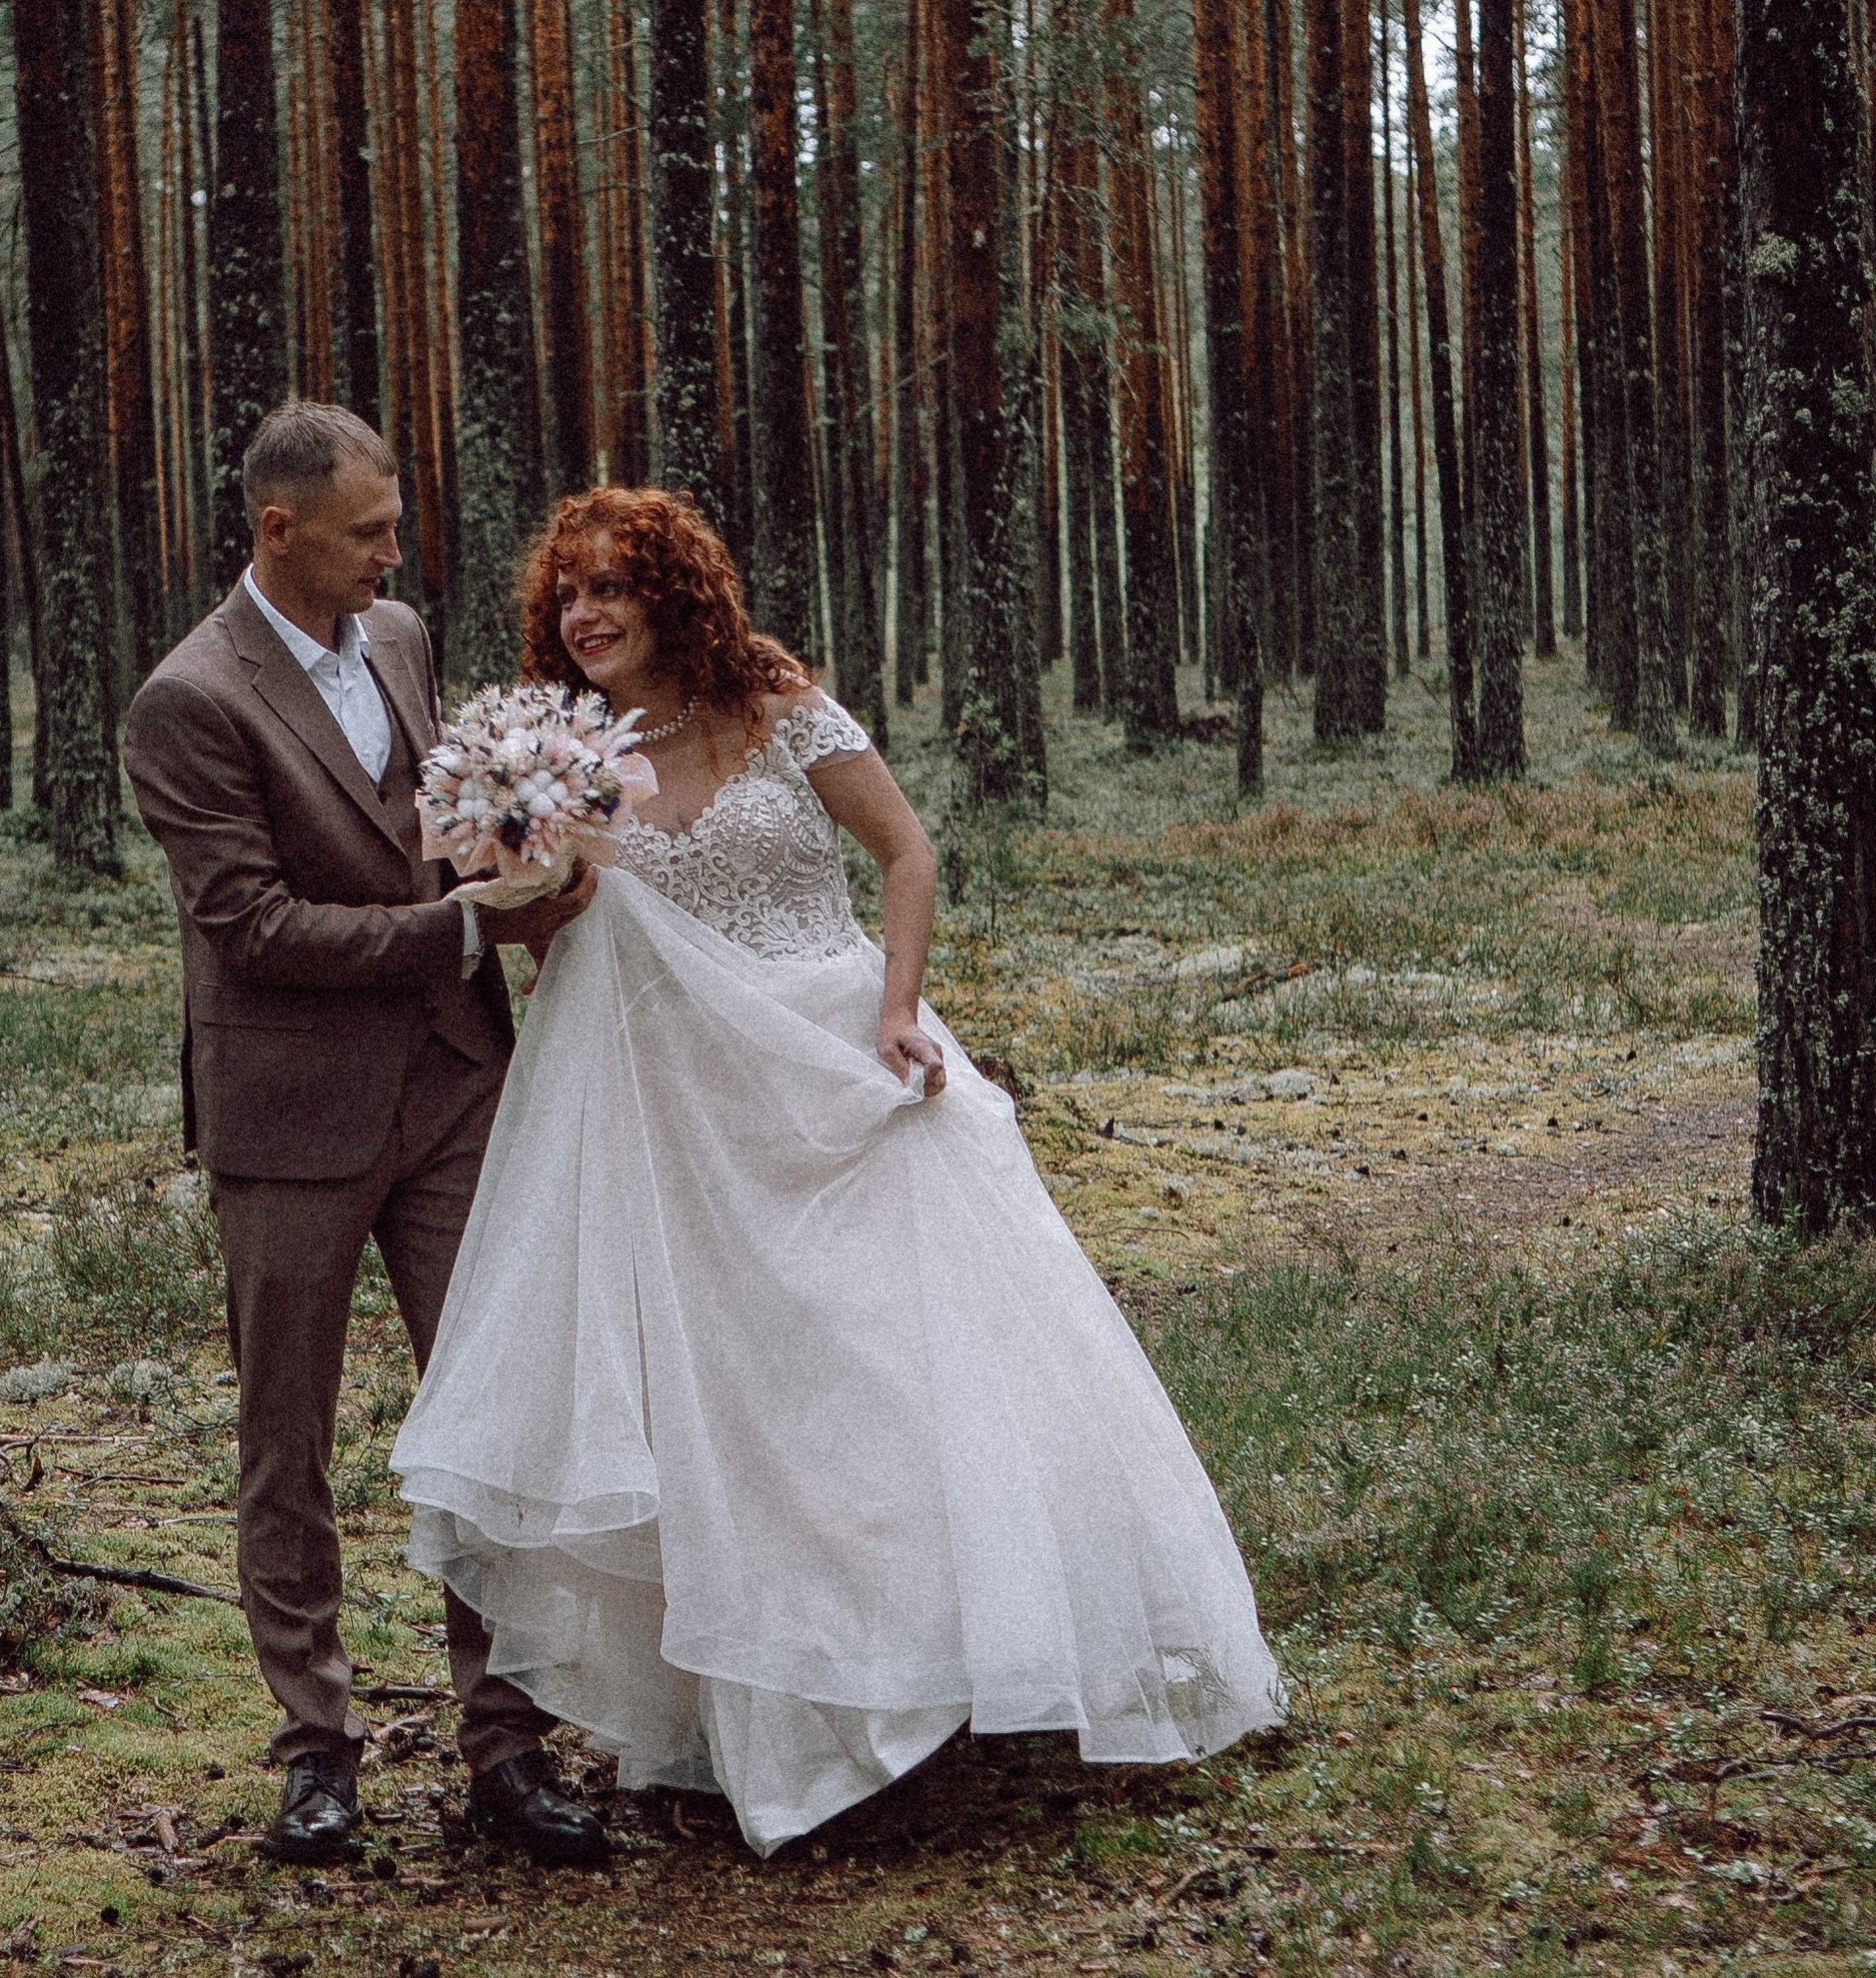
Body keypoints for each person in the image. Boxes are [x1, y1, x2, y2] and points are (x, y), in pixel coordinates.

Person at [391, 486, 1285, 1857]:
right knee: (732, 1407)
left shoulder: (773, 700)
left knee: (884, 1377)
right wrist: (514, 871)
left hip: (834, 1064)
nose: (586, 613)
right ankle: (765, 1710)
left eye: (614, 586)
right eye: (568, 593)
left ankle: (930, 1672)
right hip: (680, 1114)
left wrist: (900, 1007)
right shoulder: (563, 751)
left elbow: (905, 850)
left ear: (673, 592)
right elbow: (549, 931)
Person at [123, 401, 607, 1870]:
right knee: (289, 1441)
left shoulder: (396, 637)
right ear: (279, 531)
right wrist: (459, 929)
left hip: (455, 1086)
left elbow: (430, 823)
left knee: (493, 1412)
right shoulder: (187, 701)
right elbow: (251, 928)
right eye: (369, 533)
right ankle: (316, 1751)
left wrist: (527, 857)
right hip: (291, 1113)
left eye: (395, 526)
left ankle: (507, 1744)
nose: (396, 555)